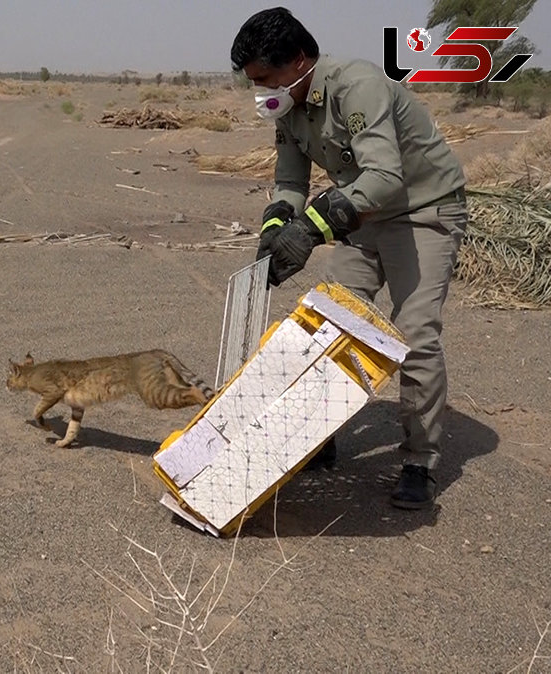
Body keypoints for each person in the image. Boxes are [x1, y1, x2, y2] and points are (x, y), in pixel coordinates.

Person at [229, 7, 470, 510]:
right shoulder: (288, 105)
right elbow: (291, 183)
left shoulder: (356, 87)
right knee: (327, 324)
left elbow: (385, 177)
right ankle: (321, 435)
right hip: (362, 216)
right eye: (252, 81)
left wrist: (312, 230)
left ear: (298, 61)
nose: (259, 90)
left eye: (264, 78)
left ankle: (419, 462)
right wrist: (276, 229)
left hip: (422, 211)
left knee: (415, 336)